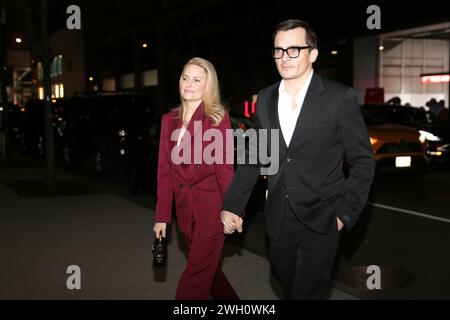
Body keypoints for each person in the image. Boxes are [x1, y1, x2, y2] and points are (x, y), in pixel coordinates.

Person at [221, 19, 376, 299]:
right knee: (288, 287)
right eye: (279, 50)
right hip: (278, 219)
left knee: (308, 293)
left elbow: (363, 161)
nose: (284, 57)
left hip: (323, 217)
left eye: (294, 49)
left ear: (313, 54)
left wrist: (345, 213)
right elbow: (254, 157)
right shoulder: (266, 98)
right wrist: (232, 205)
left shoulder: (339, 98)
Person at [153, 57, 239, 300]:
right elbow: (164, 172)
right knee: (210, 275)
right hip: (184, 212)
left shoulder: (217, 119)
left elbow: (224, 168)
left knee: (193, 281)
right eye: (185, 77)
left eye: (196, 79)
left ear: (207, 86)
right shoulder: (168, 121)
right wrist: (161, 217)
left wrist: (232, 208)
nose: (188, 84)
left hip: (211, 212)